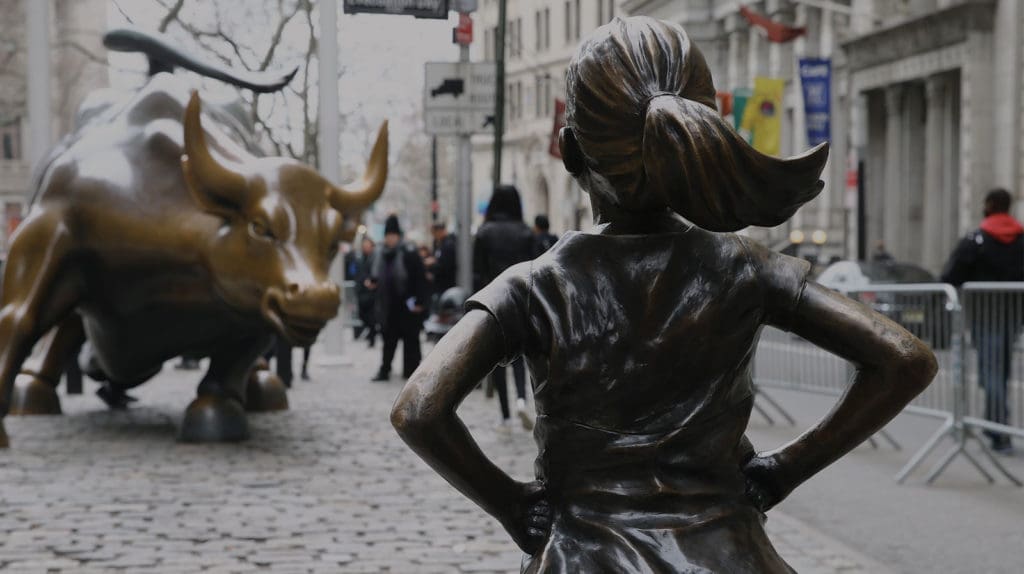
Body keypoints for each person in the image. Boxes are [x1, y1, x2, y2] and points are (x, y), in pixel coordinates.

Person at [392, 17, 936, 573]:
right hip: (728, 555)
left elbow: (419, 409)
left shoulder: (533, 287)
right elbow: (904, 359)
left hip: (583, 556)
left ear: (571, 152)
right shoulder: (746, 268)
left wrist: (509, 504)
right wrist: (785, 469)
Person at [941, 188, 1024, 454]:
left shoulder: (976, 239)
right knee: (1000, 370)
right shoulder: (1021, 238)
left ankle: (1000, 432)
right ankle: (994, 425)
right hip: (1012, 315)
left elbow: (950, 276)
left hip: (984, 316)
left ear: (988, 205)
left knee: (991, 374)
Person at [474, 185, 536, 432]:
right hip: (521, 301)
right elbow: (535, 270)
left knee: (497, 359)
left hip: (493, 301)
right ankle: (521, 400)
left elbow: (478, 272)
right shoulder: (525, 232)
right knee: (521, 357)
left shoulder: (484, 232)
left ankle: (506, 416)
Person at [367, 215, 429, 382]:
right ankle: (385, 369)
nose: (390, 239)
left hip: (408, 305)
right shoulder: (381, 254)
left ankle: (411, 372)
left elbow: (419, 279)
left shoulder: (409, 252)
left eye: (392, 235)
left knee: (411, 341)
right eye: (387, 236)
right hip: (389, 305)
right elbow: (376, 275)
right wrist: (372, 283)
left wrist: (420, 302)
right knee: (388, 341)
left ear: (398, 235)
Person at [347, 237, 378, 347]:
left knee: (371, 316)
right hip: (361, 291)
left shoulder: (375, 258)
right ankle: (372, 333)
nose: (365, 248)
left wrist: (372, 281)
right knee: (362, 315)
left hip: (371, 292)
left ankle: (372, 337)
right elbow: (355, 272)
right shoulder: (359, 257)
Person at [428, 221, 458, 295]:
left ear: (440, 231)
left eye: (434, 233)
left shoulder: (448, 245)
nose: (434, 236)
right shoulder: (440, 244)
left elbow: (445, 265)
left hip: (446, 284)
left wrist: (432, 264)